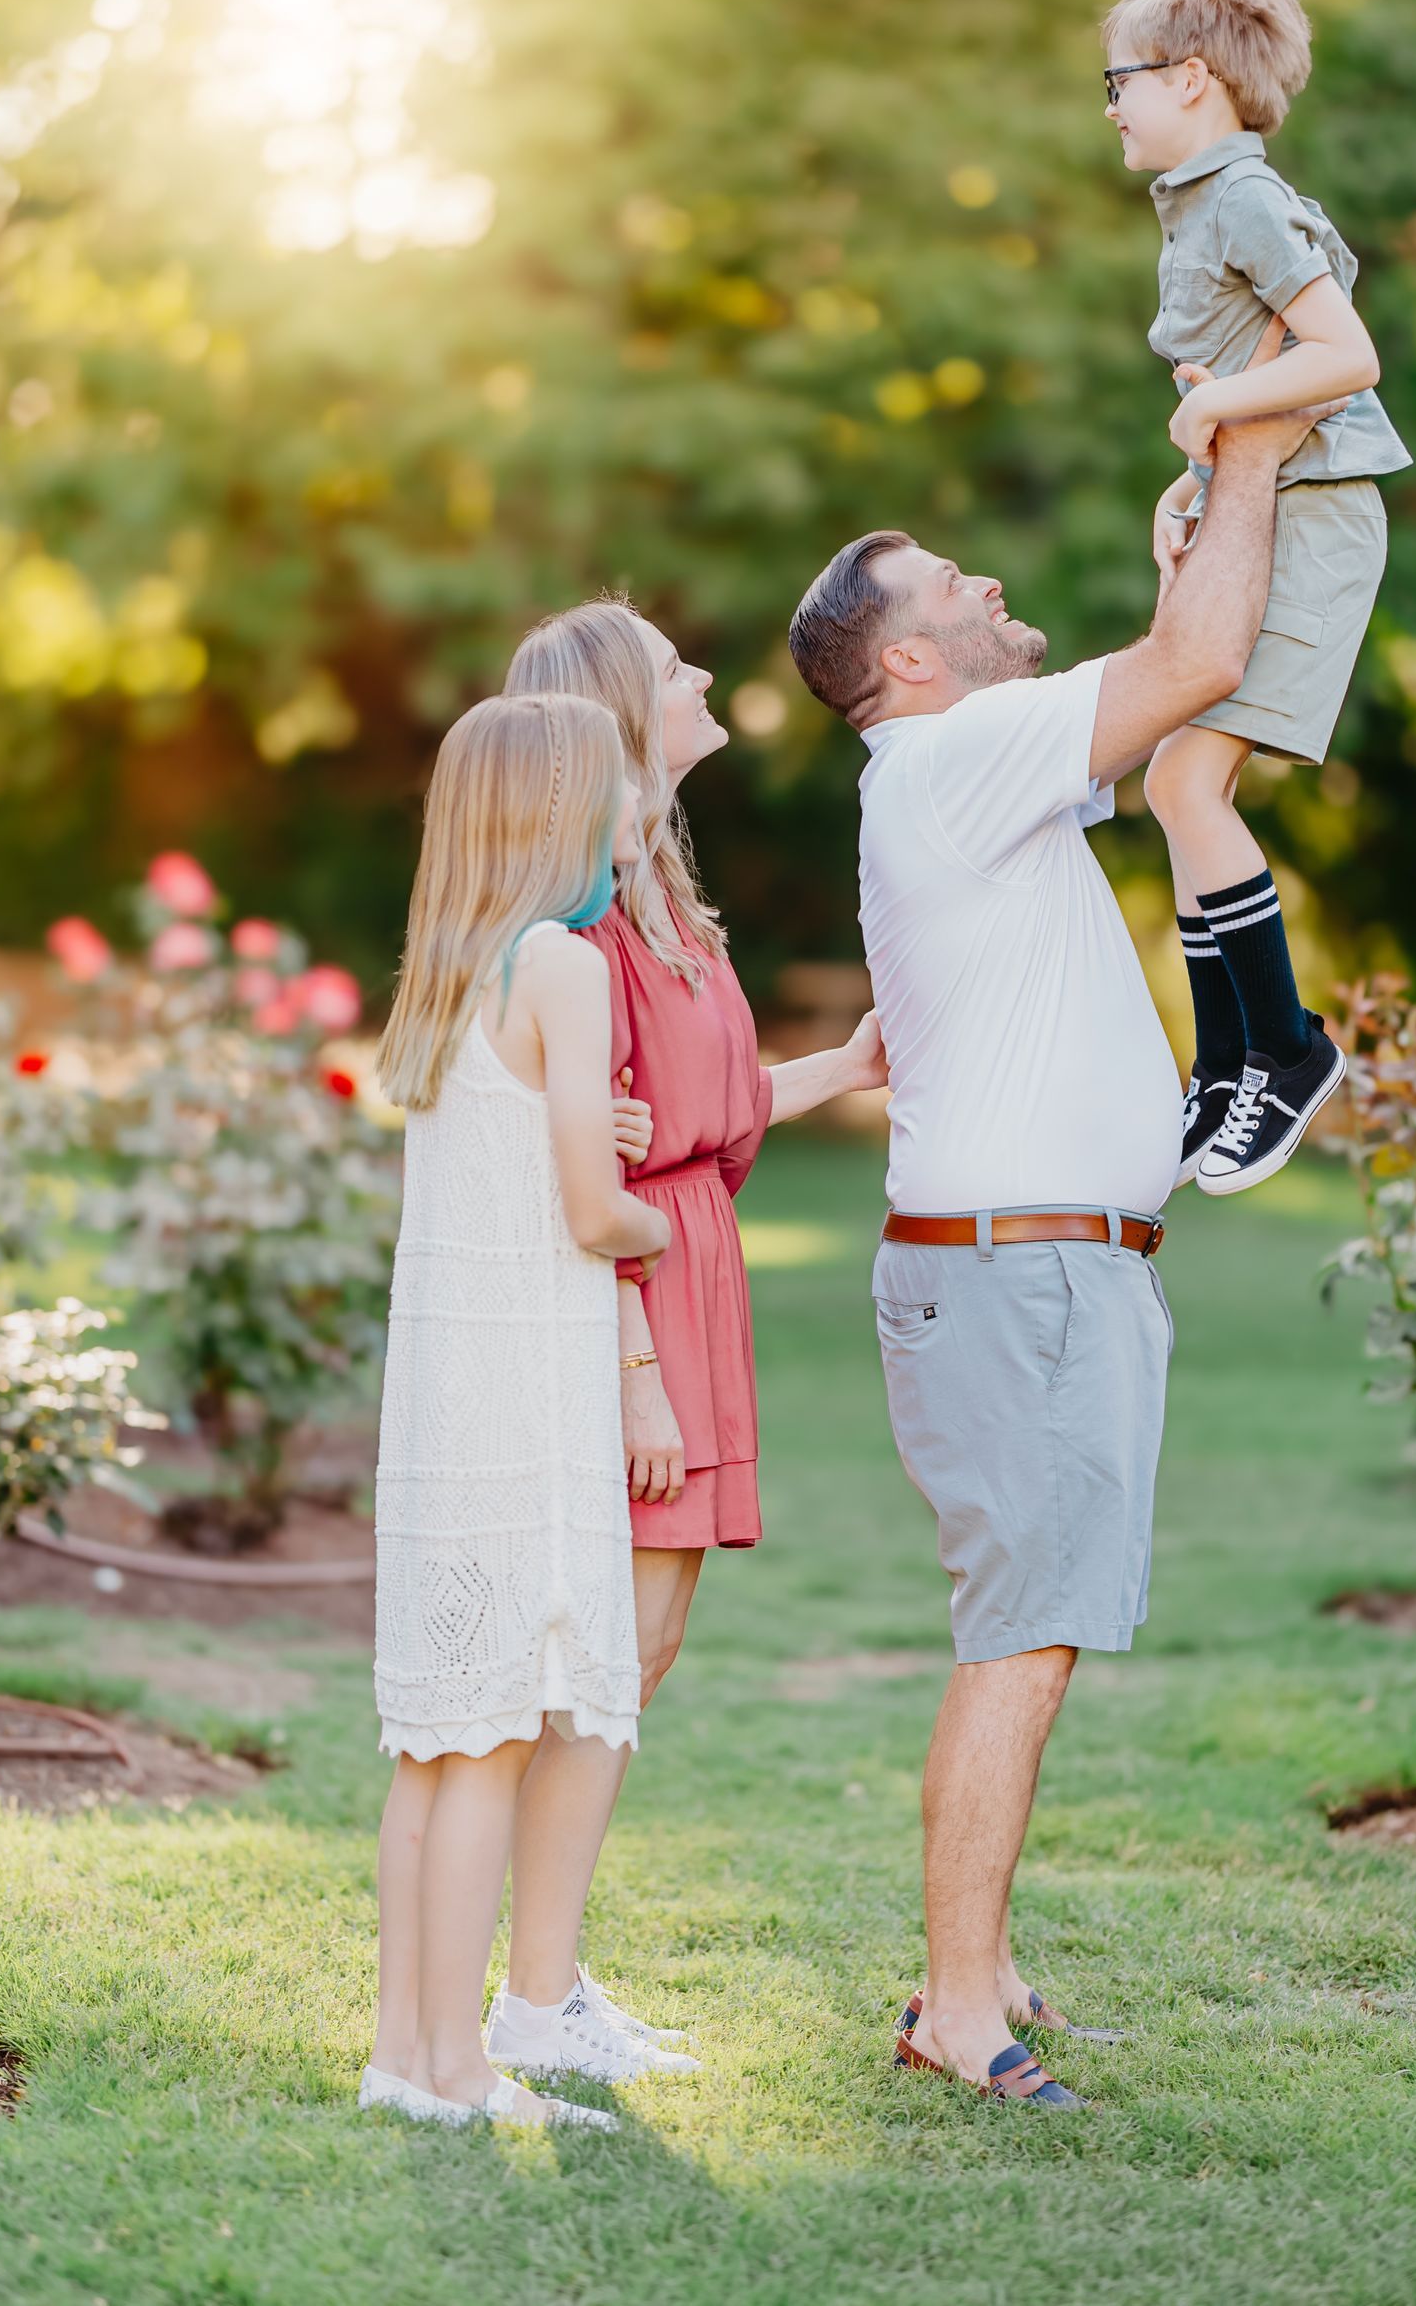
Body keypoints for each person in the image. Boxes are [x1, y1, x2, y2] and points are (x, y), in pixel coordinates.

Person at [787, 392, 1325, 2110]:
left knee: (1035, 1626)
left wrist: (1187, 577)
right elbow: (1201, 661)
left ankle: (982, 1966)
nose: (990, 582)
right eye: (952, 582)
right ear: (914, 664)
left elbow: (1182, 684)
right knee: (1018, 1637)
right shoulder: (952, 758)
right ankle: (958, 2007)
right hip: (1018, 1277)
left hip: (1043, 1270)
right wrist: (1251, 434)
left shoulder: (966, 770)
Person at [486, 596, 887, 2082]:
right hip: (631, 1303)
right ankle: (528, 2001)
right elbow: (575, 1160)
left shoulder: (662, 886)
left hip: (693, 1278)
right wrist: (638, 1371)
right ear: (614, 710)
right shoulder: (582, 914)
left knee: (641, 1650)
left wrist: (838, 1066)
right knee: (602, 1653)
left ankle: (549, 1979)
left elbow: (702, 1117)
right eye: (672, 667)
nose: (705, 674)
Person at [361, 690, 670, 2131]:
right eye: (614, 792)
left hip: (443, 1406)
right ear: (562, 813)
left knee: (435, 1746)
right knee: (488, 1738)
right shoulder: (562, 962)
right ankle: (463, 2072)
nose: (630, 815)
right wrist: (657, 1219)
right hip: (525, 1406)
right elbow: (597, 1212)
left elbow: (521, 1144)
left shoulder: (447, 970)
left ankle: (405, 2055)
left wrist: (588, 1147)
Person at [1103, 0, 1411, 1194]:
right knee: (1176, 782)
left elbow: (1348, 353)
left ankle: (1282, 1052)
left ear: (1190, 78)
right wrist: (1188, 485)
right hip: (1250, 507)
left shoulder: (1241, 199)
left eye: (1118, 80)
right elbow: (1234, 390)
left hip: (1314, 518)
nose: (1110, 104)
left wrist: (1216, 410)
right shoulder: (1195, 204)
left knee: (1187, 783)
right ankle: (1228, 1070)